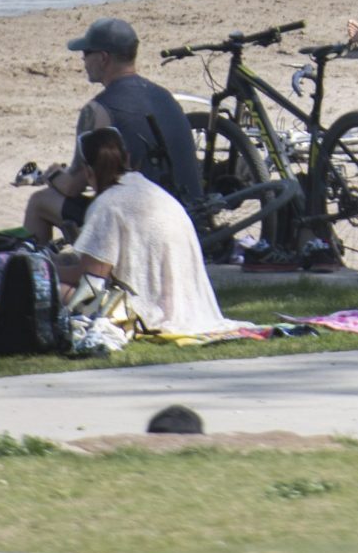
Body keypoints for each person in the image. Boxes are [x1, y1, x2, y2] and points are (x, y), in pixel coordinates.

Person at [23, 18, 203, 247]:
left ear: (103, 57)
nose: (83, 60)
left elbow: (72, 187)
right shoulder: (165, 96)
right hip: (189, 218)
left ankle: (38, 274)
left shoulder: (97, 110)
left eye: (86, 52)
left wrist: (53, 174)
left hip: (145, 228)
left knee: (40, 202)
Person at [58, 129, 236, 336]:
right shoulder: (150, 190)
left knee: (48, 287)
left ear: (88, 172)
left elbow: (91, 279)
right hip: (190, 305)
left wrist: (49, 267)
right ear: (128, 158)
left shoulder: (106, 204)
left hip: (148, 312)